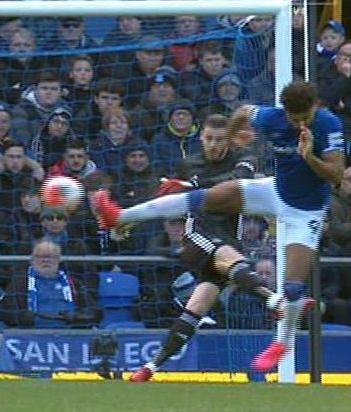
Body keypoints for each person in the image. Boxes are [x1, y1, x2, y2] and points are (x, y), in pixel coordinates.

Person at [94, 82, 346, 373]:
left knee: (292, 287)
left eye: (305, 117)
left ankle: (282, 344)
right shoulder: (271, 117)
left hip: (307, 211)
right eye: (294, 118)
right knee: (204, 198)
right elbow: (241, 112)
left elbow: (336, 175)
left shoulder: (329, 125)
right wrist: (230, 137)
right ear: (284, 111)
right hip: (275, 191)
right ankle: (120, 216)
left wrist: (309, 156)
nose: (299, 123)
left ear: (314, 107)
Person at [0, 240, 100, 328]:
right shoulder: (19, 282)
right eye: (40, 256)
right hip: (31, 334)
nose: (46, 260)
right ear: (32, 260)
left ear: (59, 259)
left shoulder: (74, 282)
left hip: (69, 332)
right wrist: (28, 318)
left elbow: (95, 312)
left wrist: (76, 317)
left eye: (51, 256)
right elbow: (7, 314)